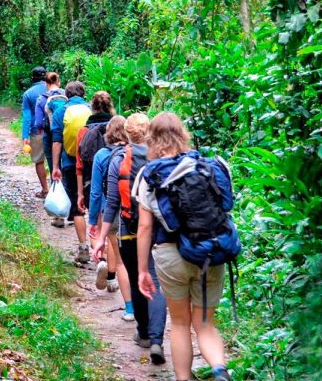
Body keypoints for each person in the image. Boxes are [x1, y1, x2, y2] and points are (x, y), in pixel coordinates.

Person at [134, 113, 232, 381]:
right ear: (182, 134)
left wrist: (143, 270)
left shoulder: (149, 174)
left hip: (170, 255)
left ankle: (183, 378)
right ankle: (220, 370)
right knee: (205, 324)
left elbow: (144, 228)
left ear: (151, 139)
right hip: (210, 251)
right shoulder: (203, 166)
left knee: (179, 323)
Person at [92, 113, 167, 365]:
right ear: (148, 131)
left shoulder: (119, 159)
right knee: (155, 280)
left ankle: (144, 334)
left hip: (128, 230)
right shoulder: (161, 157)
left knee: (137, 281)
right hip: (157, 230)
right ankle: (157, 340)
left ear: (127, 133)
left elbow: (112, 201)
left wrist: (101, 237)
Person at [86, 115, 135, 324]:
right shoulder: (137, 153)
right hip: (137, 213)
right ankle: (148, 307)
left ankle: (130, 308)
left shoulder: (102, 155)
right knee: (142, 261)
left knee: (122, 259)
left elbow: (96, 191)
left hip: (112, 212)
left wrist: (92, 220)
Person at [50, 81, 91, 262]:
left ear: (66, 95)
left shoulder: (61, 112)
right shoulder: (92, 110)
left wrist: (55, 166)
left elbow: (57, 141)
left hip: (70, 163)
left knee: (77, 207)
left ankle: (83, 248)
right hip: (92, 164)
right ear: (83, 94)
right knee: (97, 207)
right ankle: (103, 252)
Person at [20, 66, 49, 198]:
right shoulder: (54, 89)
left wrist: (25, 136)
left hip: (36, 131)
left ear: (33, 78)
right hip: (55, 131)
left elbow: (27, 117)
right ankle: (59, 190)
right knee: (56, 161)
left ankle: (45, 190)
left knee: (39, 161)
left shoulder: (28, 94)